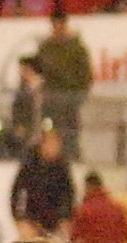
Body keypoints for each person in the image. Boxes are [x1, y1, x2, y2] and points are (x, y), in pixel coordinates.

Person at [33, 12, 94, 161]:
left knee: (70, 134)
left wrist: (78, 97)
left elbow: (86, 76)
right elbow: (40, 72)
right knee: (49, 131)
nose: (57, 29)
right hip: (51, 101)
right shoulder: (46, 48)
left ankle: (71, 159)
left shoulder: (77, 49)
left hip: (70, 101)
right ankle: (48, 158)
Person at [11, 127, 76, 241]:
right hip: (32, 220)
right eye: (52, 144)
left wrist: (66, 217)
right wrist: (20, 218)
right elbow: (18, 192)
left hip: (54, 222)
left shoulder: (62, 166)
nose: (56, 148)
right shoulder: (30, 164)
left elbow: (68, 193)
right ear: (43, 145)